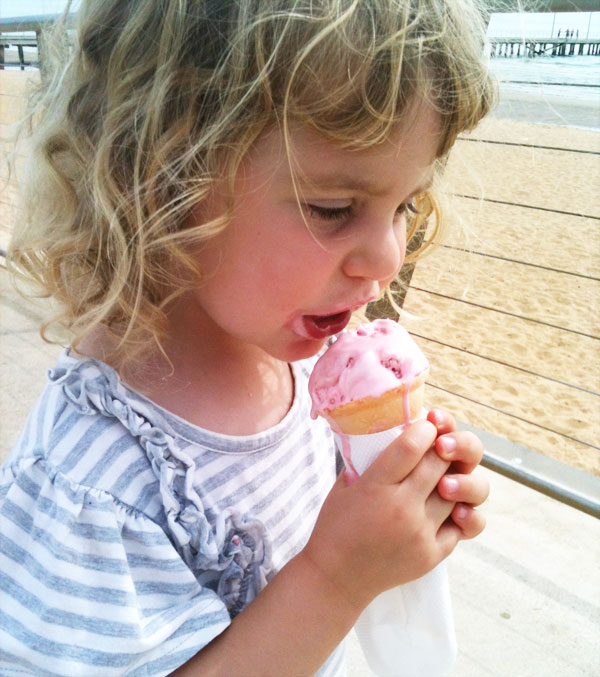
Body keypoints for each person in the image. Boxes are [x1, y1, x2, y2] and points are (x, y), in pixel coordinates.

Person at [1, 0, 496, 674]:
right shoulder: (95, 483)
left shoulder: (303, 359)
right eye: (334, 208)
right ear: (160, 175)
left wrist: (398, 505)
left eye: (405, 203)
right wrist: (335, 577)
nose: (387, 258)